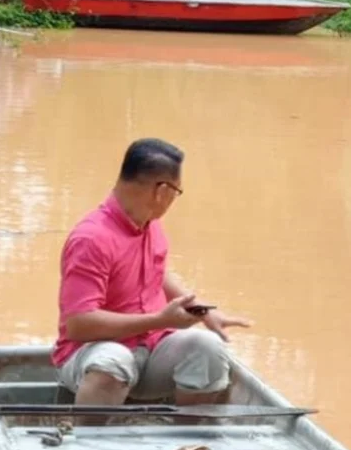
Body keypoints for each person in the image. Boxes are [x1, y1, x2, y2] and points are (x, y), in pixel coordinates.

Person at [52, 138, 252, 412]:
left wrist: (202, 311)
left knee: (208, 347)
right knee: (114, 361)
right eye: (177, 192)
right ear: (162, 190)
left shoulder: (150, 226)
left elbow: (157, 274)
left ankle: (188, 444)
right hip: (93, 356)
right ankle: (89, 446)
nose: (173, 200)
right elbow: (78, 324)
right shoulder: (92, 239)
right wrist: (158, 320)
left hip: (151, 351)